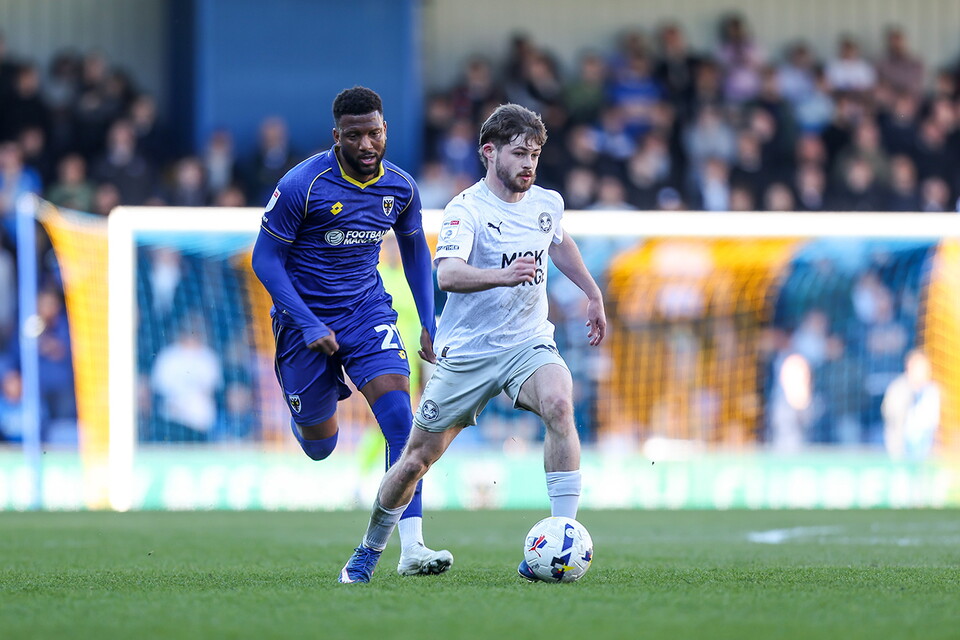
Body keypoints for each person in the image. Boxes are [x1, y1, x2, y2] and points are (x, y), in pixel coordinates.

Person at [338, 103, 607, 583]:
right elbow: (448, 273)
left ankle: (563, 533)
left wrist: (591, 291)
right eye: (520, 153)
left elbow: (559, 241)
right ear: (490, 152)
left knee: (560, 404)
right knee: (415, 460)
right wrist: (503, 275)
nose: (529, 164)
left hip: (527, 342)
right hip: (467, 354)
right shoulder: (467, 209)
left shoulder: (547, 203)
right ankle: (367, 551)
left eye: (536, 155)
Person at [251, 86, 450, 577]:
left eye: (375, 133)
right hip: (305, 324)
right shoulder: (303, 184)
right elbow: (265, 259)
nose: (367, 144)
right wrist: (307, 320)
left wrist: (428, 320)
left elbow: (416, 253)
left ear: (386, 132)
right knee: (320, 446)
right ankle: (312, 407)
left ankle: (412, 547)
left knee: (403, 423)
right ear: (336, 136)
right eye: (355, 135)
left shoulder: (400, 188)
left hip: (366, 314)